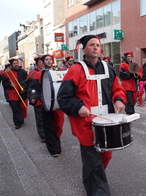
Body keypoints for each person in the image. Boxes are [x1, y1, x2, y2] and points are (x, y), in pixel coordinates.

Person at [57, 35, 126, 196]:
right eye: (91, 45)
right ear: (84, 48)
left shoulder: (108, 68)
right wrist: (78, 106)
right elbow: (63, 97)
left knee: (106, 156)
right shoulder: (75, 70)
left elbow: (118, 89)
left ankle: (93, 180)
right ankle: (97, 190)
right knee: (93, 160)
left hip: (107, 121)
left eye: (97, 45)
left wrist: (119, 100)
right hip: (86, 123)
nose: (95, 47)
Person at [29, 54, 64, 156]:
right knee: (48, 127)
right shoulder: (38, 74)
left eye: (50, 60)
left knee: (59, 125)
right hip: (45, 104)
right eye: (47, 60)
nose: (49, 61)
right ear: (43, 62)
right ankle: (54, 149)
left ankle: (55, 141)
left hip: (57, 104)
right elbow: (33, 88)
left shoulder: (58, 73)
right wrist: (33, 97)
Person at [2, 58, 28, 129]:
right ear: (11, 65)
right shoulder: (7, 72)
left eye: (17, 63)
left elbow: (27, 80)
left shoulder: (22, 71)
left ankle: (21, 119)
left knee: (23, 107)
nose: (16, 64)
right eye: (14, 63)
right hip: (12, 94)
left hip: (22, 93)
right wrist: (10, 85)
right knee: (15, 109)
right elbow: (4, 83)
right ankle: (18, 123)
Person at [27, 57, 45, 143]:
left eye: (43, 62)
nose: (42, 63)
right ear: (37, 63)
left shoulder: (47, 72)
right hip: (38, 99)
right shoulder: (33, 73)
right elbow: (30, 87)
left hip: (47, 100)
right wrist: (32, 97)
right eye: (40, 62)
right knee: (40, 119)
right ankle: (42, 135)